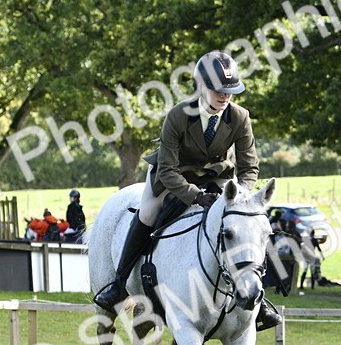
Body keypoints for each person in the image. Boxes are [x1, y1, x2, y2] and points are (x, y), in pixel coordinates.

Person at [92, 50, 281, 330]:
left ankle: (258, 298)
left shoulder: (240, 116)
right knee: (148, 212)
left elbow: (249, 167)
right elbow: (168, 170)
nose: (225, 96)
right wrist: (195, 196)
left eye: (230, 91)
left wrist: (241, 197)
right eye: (218, 90)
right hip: (173, 176)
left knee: (245, 223)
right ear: (201, 86)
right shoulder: (178, 116)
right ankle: (119, 283)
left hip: (218, 178)